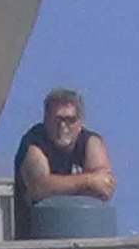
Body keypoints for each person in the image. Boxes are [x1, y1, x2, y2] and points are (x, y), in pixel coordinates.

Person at [12, 89, 117, 239]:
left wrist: (60, 185)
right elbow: (39, 187)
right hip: (35, 241)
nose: (63, 127)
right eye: (57, 120)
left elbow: (104, 187)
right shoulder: (34, 143)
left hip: (85, 235)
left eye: (70, 120)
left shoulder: (91, 142)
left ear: (80, 123)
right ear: (46, 120)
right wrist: (87, 181)